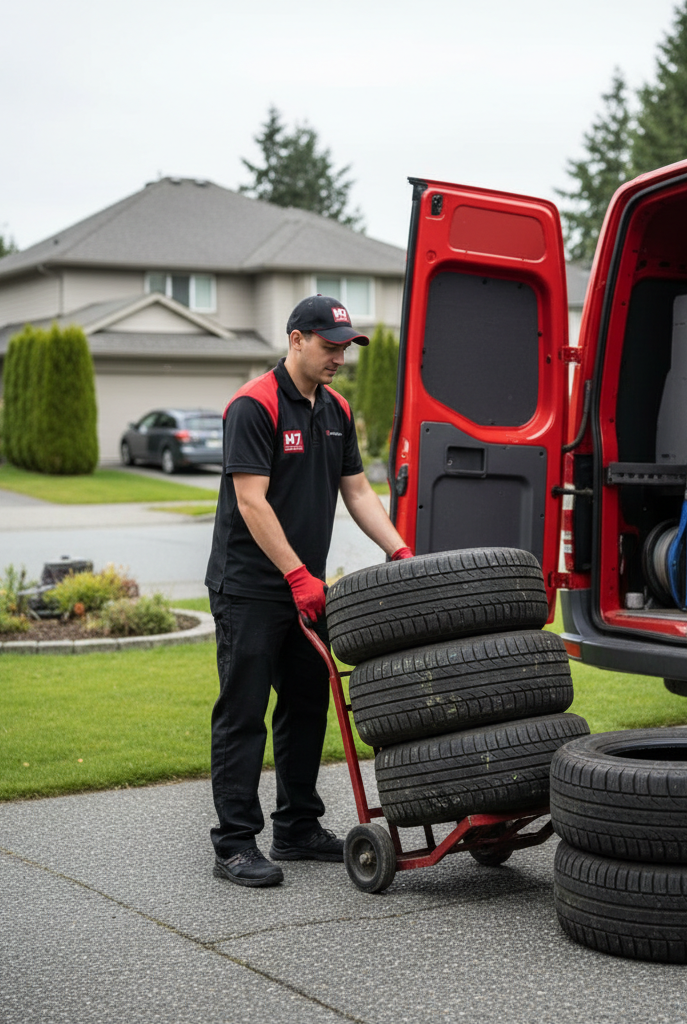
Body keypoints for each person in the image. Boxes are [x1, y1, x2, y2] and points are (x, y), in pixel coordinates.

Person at [205, 294, 413, 887]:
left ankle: (296, 827)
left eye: (346, 347)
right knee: (242, 712)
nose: (339, 357)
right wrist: (296, 575)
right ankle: (234, 844)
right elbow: (250, 500)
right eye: (329, 346)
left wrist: (396, 548)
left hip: (306, 590)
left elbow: (358, 492)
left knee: (306, 706)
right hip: (249, 587)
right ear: (296, 339)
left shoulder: (337, 410)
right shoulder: (254, 404)